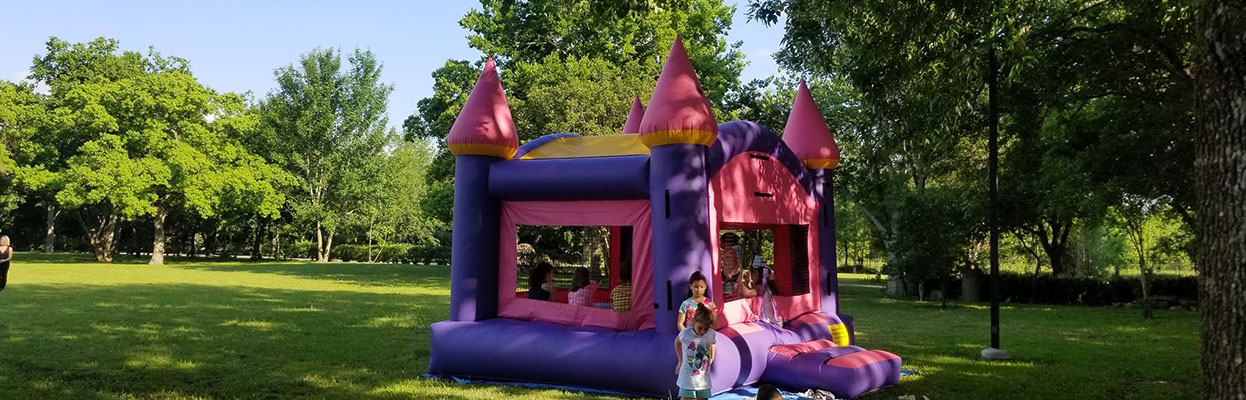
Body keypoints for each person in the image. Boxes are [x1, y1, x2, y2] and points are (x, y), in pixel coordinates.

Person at [675, 303, 716, 400]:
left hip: (703, 379)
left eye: (706, 329)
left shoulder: (711, 334)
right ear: (693, 322)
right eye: (700, 328)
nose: (702, 331)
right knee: (686, 397)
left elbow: (713, 343)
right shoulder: (686, 333)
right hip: (687, 376)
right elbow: (677, 343)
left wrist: (712, 357)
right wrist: (680, 360)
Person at [719, 233, 741, 298]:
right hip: (727, 277)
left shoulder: (734, 250)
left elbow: (738, 264)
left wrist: (731, 273)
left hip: (732, 277)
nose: (720, 243)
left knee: (731, 294)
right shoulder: (725, 252)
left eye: (721, 241)